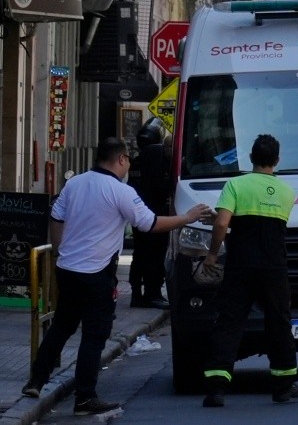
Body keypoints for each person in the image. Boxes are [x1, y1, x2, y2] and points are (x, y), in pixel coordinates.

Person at [21, 137, 210, 416]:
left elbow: (56, 216)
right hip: (96, 273)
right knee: (94, 336)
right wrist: (189, 216)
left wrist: (61, 251)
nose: (128, 166)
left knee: (62, 325)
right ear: (121, 159)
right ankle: (85, 397)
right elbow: (150, 224)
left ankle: (36, 380)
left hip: (68, 270)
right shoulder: (121, 191)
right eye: (128, 161)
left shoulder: (74, 183)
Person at [201, 134, 298, 407]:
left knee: (229, 322)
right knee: (279, 323)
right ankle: (283, 385)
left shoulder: (235, 185)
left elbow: (224, 224)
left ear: (250, 158)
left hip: (240, 266)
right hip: (274, 267)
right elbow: (265, 224)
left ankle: (216, 388)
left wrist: (212, 254)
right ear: (277, 160)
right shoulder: (287, 193)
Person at [127, 118, 171, 308]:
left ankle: (137, 293)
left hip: (138, 213)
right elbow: (160, 186)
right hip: (156, 214)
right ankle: (152, 293)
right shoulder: (157, 156)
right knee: (155, 254)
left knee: (140, 254)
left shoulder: (137, 160)